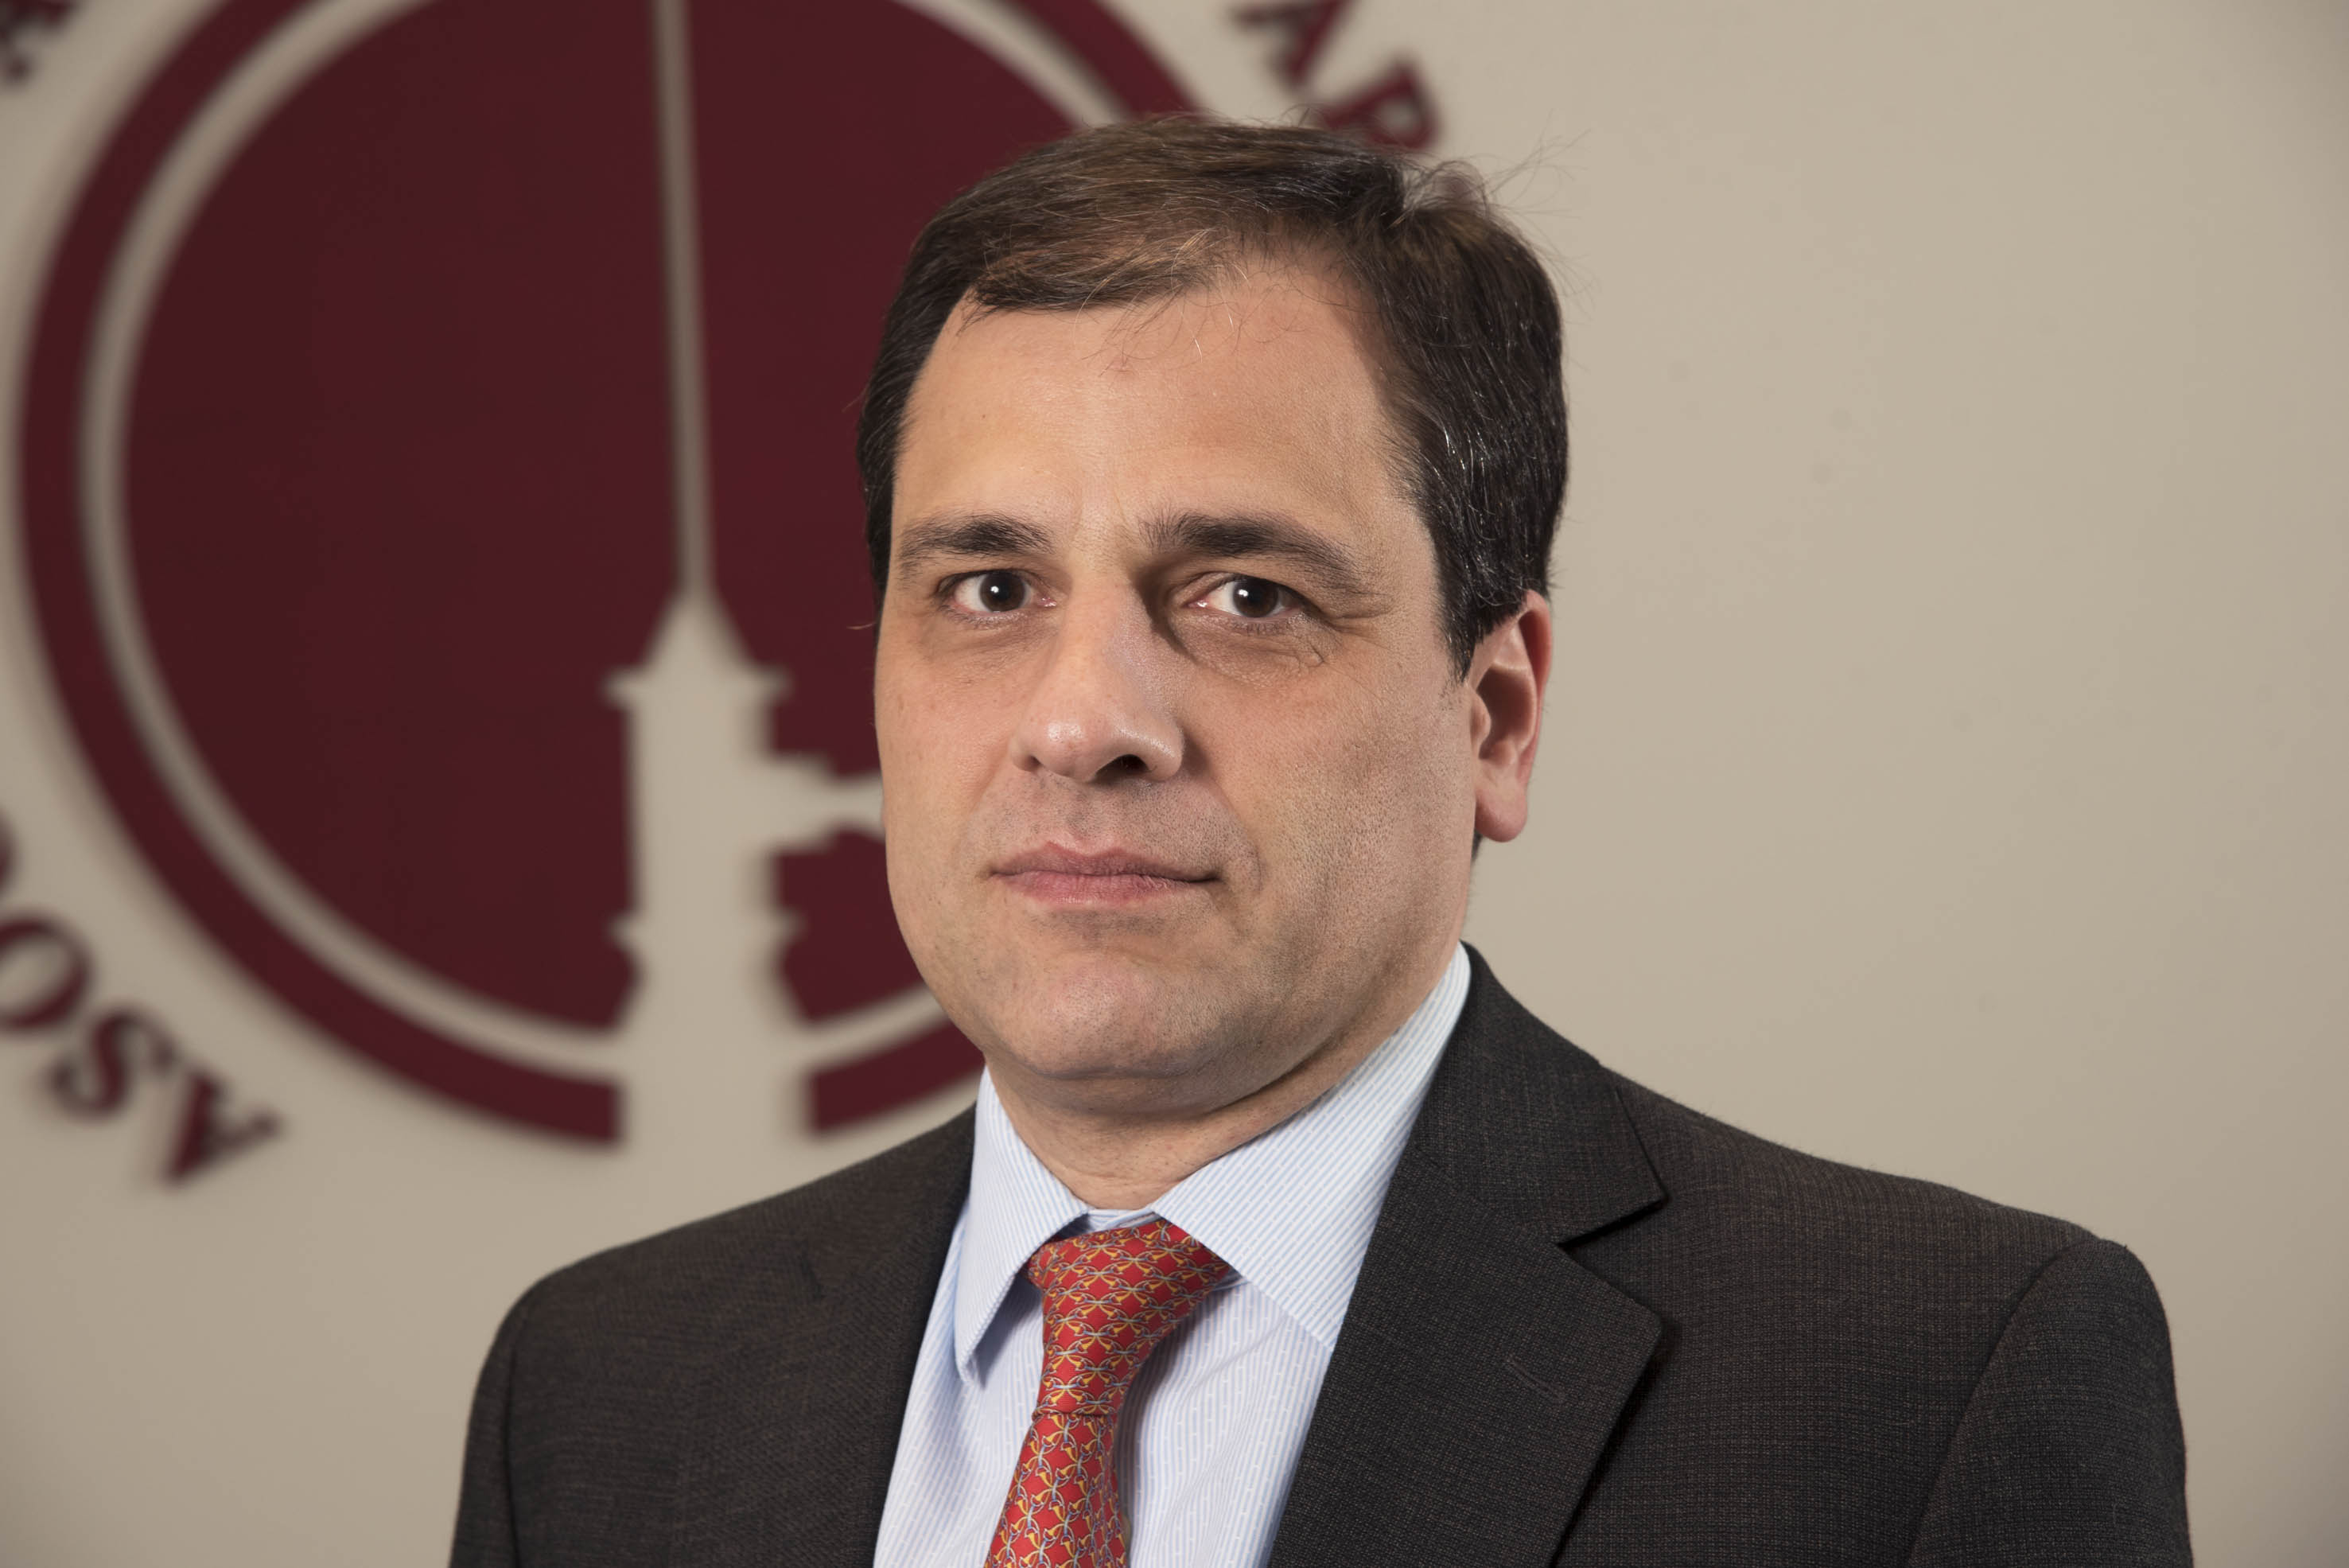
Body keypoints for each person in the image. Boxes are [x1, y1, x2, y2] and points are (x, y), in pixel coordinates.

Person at [449, 118, 2189, 1568]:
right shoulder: (600, 1393)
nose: (1083, 721)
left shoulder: (1931, 1390)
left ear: (1492, 712)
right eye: (988, 589)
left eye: (1243, 595)